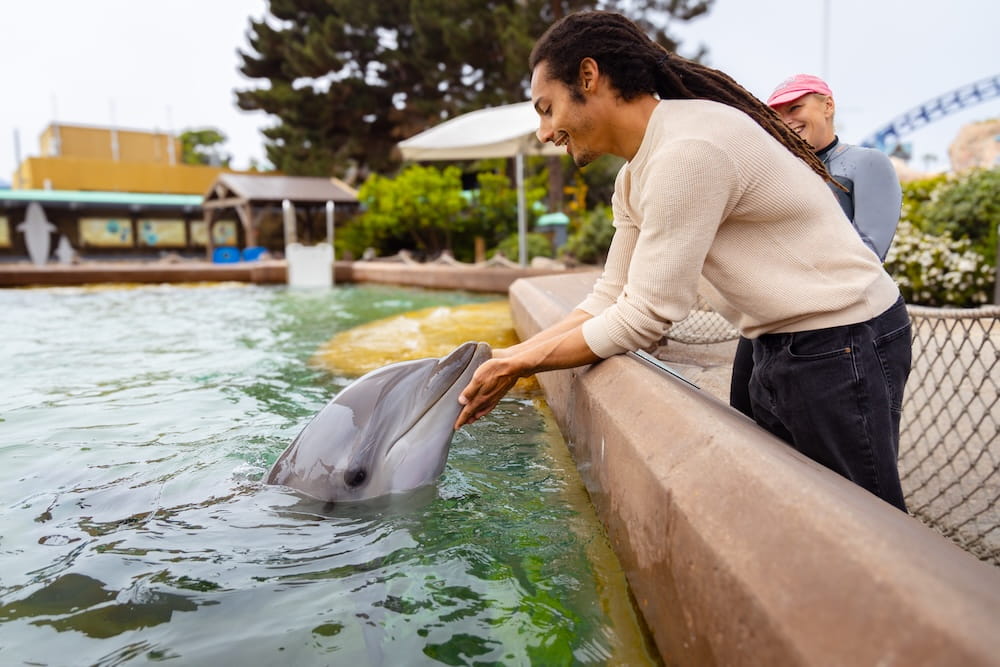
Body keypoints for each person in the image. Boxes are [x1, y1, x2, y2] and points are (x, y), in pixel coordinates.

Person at [454, 10, 911, 512]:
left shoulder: (688, 151)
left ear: (589, 77)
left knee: (865, 520)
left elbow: (643, 316)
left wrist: (523, 362)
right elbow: (610, 295)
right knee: (794, 510)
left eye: (547, 108)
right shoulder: (636, 174)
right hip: (772, 341)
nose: (544, 132)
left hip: (843, 337)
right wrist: (503, 361)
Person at [729, 74, 904, 418]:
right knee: (747, 422)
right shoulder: (778, 172)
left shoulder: (866, 162)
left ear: (828, 106)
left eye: (795, 107)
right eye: (776, 115)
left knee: (848, 444)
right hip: (769, 322)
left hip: (844, 329)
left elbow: (870, 251)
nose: (786, 121)